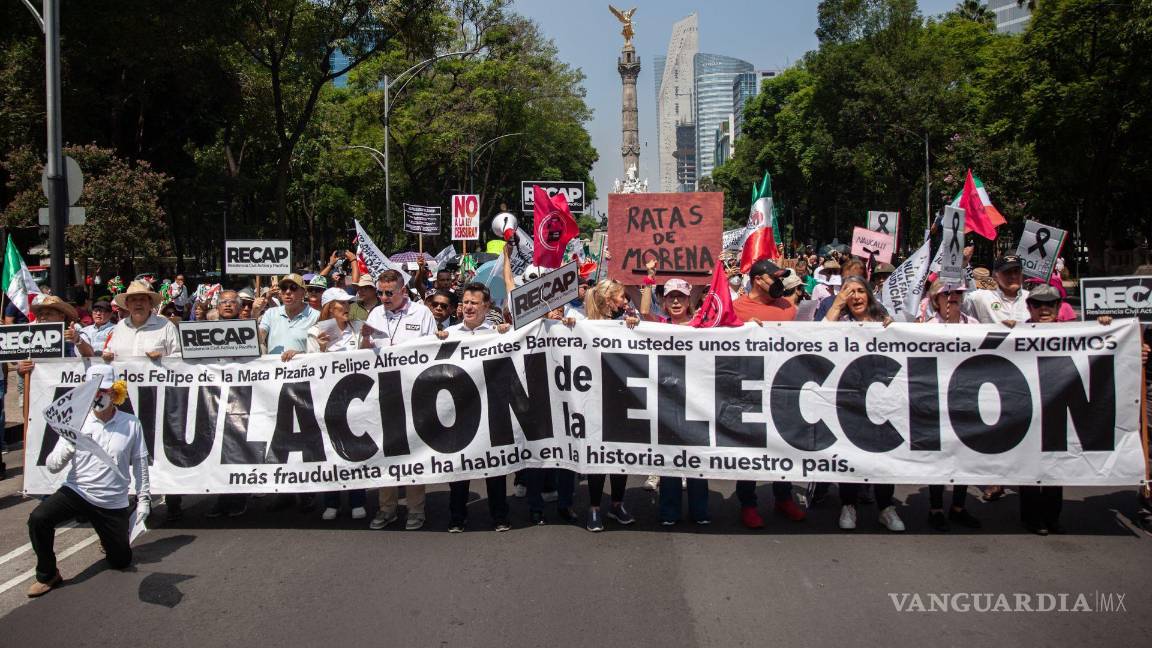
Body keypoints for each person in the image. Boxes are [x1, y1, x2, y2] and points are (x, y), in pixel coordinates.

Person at [26, 365, 150, 597]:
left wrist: (144, 499)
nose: (97, 396)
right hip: (78, 491)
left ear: (114, 393)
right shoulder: (77, 423)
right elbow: (53, 465)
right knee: (39, 519)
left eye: (102, 391)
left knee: (121, 561)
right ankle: (47, 574)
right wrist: (71, 445)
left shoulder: (131, 423)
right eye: (92, 391)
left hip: (112, 501)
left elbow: (141, 464)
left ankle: (111, 534)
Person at [824, 276, 905, 532]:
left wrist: (894, 329)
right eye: (849, 292)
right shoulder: (841, 322)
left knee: (882, 455)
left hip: (881, 399)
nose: (856, 297)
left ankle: (885, 507)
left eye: (860, 291)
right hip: (849, 398)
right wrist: (837, 305)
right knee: (851, 453)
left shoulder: (883, 321)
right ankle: (848, 505)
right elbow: (817, 336)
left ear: (869, 295)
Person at [731, 260, 807, 528]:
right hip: (749, 390)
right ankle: (748, 503)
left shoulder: (788, 307)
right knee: (750, 448)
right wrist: (741, 330)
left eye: (782, 278)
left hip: (784, 387)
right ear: (758, 280)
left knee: (782, 444)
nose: (780, 283)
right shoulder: (736, 309)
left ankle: (783, 496)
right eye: (775, 277)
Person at [363, 269, 437, 531]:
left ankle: (416, 510)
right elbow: (364, 353)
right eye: (380, 292)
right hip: (383, 394)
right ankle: (387, 509)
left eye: (389, 293)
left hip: (413, 393)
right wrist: (362, 338)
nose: (383, 298)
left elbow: (431, 351)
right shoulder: (374, 314)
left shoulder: (422, 313)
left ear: (403, 291)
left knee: (413, 452)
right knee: (386, 452)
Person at [435, 282, 513, 532]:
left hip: (492, 410)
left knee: (495, 466)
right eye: (465, 302)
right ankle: (457, 517)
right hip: (459, 412)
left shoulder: (497, 333)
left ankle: (499, 516)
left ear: (486, 306)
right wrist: (436, 342)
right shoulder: (450, 334)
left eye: (474, 303)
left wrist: (507, 333)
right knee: (459, 467)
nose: (468, 307)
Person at [640, 273, 713, 526]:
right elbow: (644, 310)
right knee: (669, 457)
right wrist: (649, 278)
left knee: (696, 458)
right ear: (665, 300)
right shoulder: (659, 323)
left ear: (689, 299)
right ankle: (669, 512)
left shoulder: (701, 326)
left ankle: (700, 511)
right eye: (671, 297)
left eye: (680, 296)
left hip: (696, 401)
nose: (676, 302)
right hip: (667, 401)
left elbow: (731, 327)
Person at [917, 280, 981, 532]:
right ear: (936, 299)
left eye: (957, 293)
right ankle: (935, 508)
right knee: (939, 456)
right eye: (947, 294)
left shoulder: (974, 325)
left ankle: (959, 506)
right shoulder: (927, 327)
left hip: (966, 398)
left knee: (963, 454)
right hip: (936, 400)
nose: (952, 297)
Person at [580, 279, 639, 532]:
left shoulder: (627, 323)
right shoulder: (584, 326)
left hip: (622, 398)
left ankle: (617, 503)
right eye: (622, 297)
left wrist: (635, 327)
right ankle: (594, 508)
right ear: (607, 300)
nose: (626, 302)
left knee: (620, 456)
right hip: (594, 399)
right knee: (597, 457)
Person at [257, 273, 320, 514]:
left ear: (304, 292)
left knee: (304, 437)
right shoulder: (271, 314)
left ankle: (306, 490)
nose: (288, 293)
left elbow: (322, 349)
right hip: (273, 386)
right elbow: (257, 338)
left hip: (304, 385)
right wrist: (256, 313)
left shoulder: (315, 316)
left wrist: (300, 354)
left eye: (293, 288)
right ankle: (282, 490)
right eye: (284, 288)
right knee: (278, 436)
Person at [307, 288, 367, 521]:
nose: (349, 308)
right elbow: (310, 366)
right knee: (330, 449)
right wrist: (321, 348)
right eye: (343, 304)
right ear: (330, 307)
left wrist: (368, 340)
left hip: (355, 398)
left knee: (356, 448)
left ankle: (357, 499)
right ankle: (331, 500)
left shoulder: (359, 328)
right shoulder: (314, 332)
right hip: (326, 399)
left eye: (350, 303)